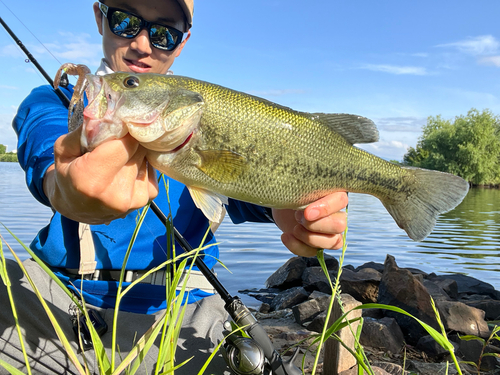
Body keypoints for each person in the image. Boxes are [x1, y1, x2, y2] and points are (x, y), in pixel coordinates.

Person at [2, 0, 348, 373]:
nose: (143, 44)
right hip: (56, 301)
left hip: (186, 317)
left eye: (164, 34)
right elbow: (46, 153)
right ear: (100, 18)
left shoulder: (194, 116)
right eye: (125, 22)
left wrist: (293, 207)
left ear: (181, 43)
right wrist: (62, 184)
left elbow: (246, 189)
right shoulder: (52, 100)